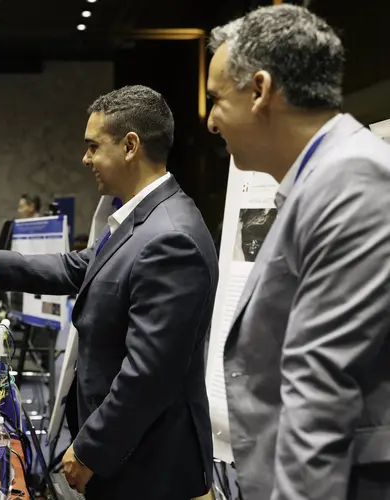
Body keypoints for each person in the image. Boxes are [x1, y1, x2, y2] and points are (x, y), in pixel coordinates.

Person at [0, 86, 218, 499]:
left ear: (130, 145)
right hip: (131, 455)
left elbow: (148, 376)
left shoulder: (170, 237)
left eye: (93, 146)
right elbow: (76, 267)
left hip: (151, 467)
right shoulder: (143, 220)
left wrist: (88, 450)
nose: (85, 159)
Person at [206, 5, 390, 500]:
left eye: (215, 99)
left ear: (260, 91)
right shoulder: (318, 180)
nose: (209, 121)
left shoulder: (353, 180)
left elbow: (321, 391)